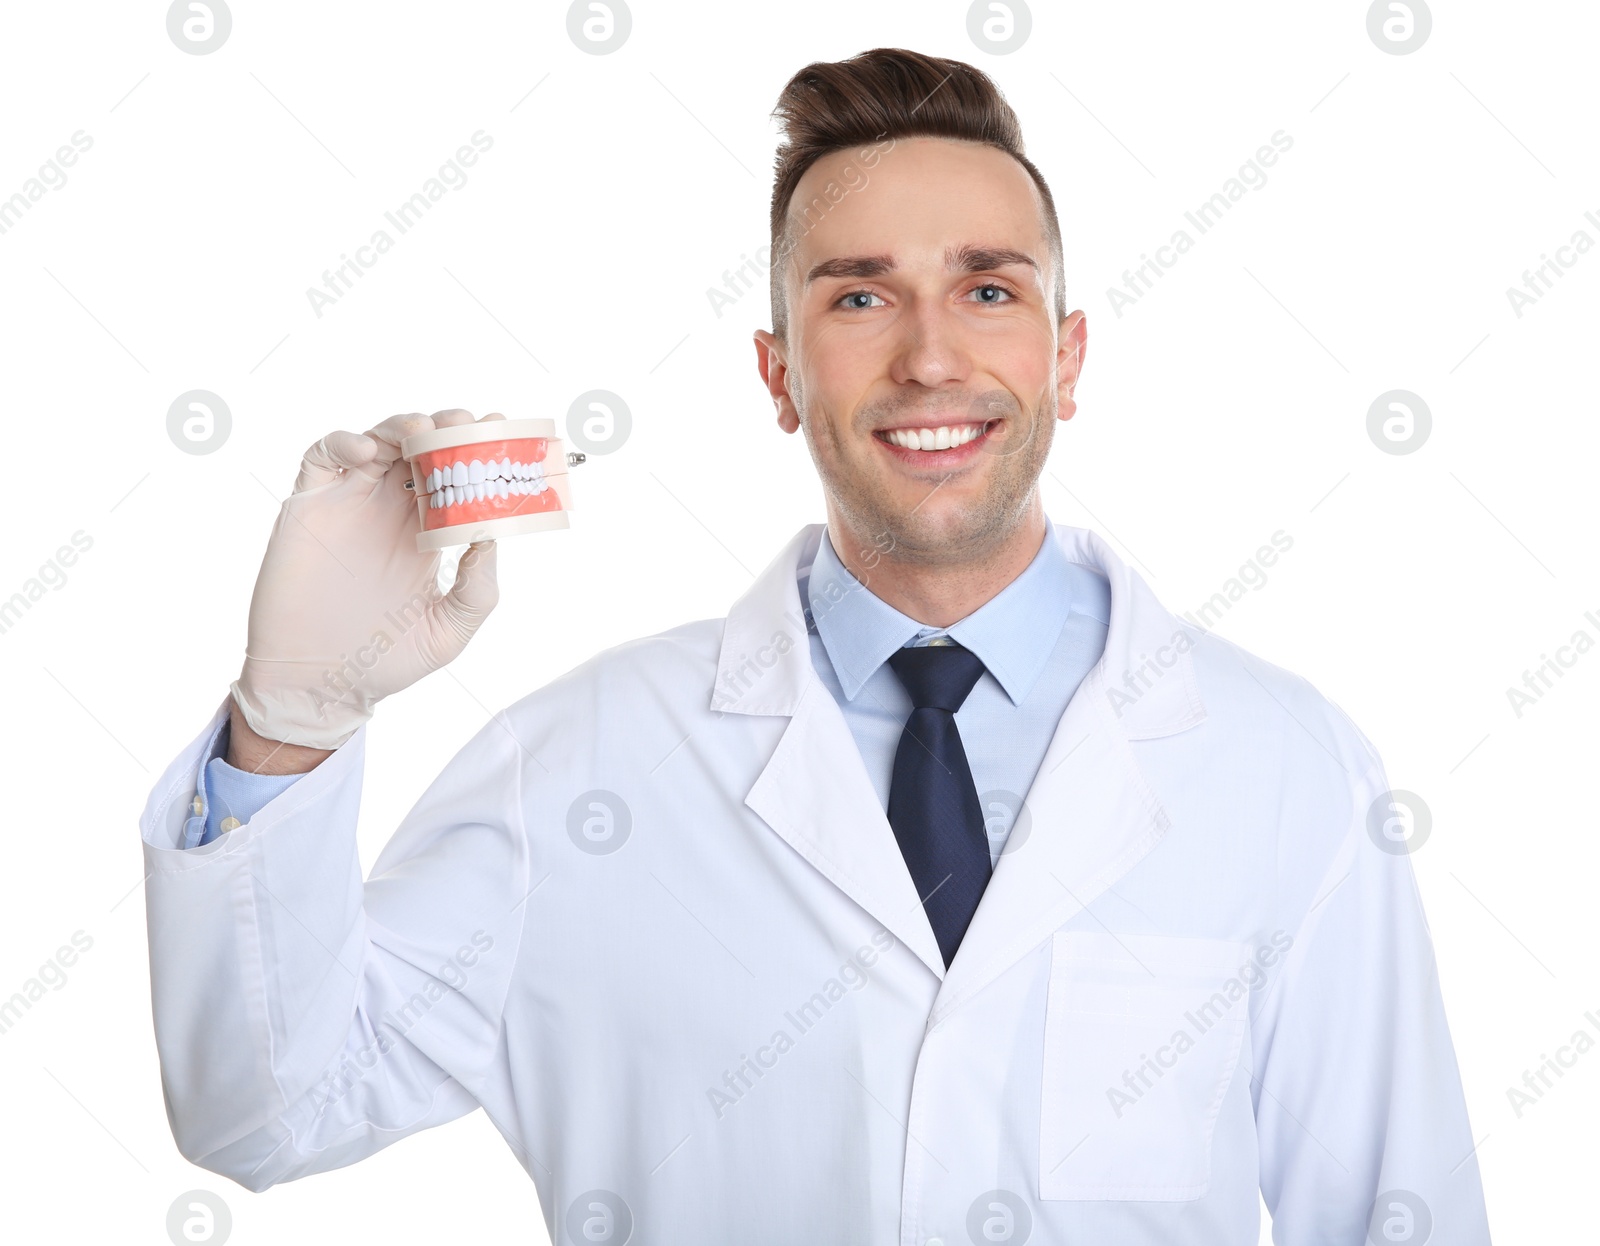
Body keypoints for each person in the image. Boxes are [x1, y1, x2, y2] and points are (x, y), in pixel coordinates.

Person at [139, 47, 1490, 1244]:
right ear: (779, 373)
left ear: (1067, 357)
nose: (927, 358)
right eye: (856, 300)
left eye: (987, 290)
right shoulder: (576, 769)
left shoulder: (1284, 765)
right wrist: (291, 723)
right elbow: (270, 1112)